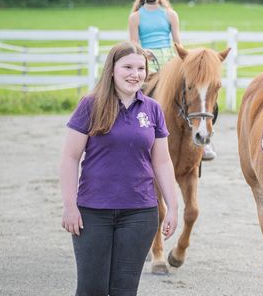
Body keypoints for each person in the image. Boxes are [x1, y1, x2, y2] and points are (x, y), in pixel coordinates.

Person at [59, 41, 178, 296]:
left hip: (140, 213)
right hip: (93, 213)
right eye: (127, 67)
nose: (135, 74)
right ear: (111, 69)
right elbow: (70, 158)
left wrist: (173, 207)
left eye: (141, 68)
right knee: (92, 290)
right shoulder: (90, 105)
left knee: (124, 291)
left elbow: (162, 161)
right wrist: (70, 206)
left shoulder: (153, 109)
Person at [128, 0, 216, 160]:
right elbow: (133, 45)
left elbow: (178, 44)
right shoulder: (135, 17)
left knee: (197, 92)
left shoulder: (170, 15)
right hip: (147, 63)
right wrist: (143, 53)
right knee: (133, 94)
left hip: (169, 61)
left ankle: (205, 140)